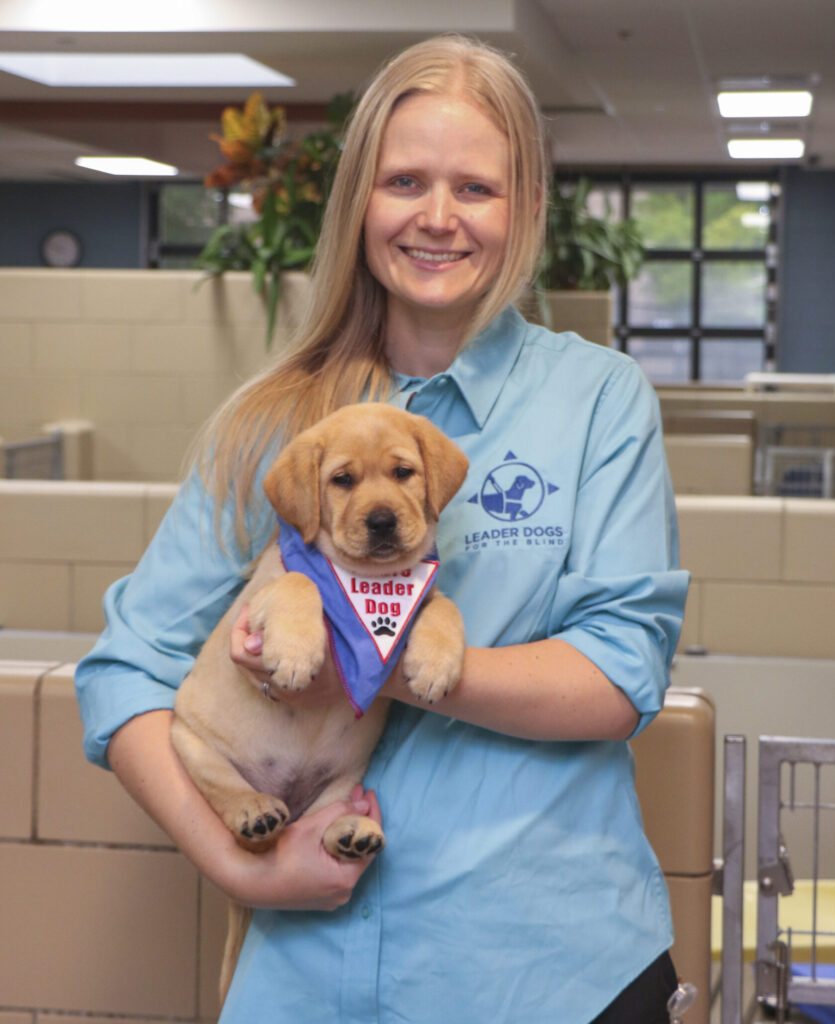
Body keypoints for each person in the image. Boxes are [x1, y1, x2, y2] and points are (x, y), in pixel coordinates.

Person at [75, 34, 689, 1023]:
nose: (437, 218)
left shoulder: (594, 399)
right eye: (404, 180)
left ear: (525, 207)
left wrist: (379, 656)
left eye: (475, 189)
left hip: (542, 966)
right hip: (304, 977)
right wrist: (237, 857)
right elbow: (121, 671)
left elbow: (620, 671)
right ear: (359, 200)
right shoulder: (271, 427)